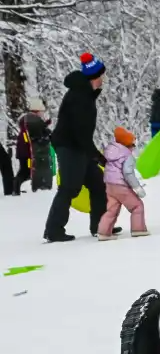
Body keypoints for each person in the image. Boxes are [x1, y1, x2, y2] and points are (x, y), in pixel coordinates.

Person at [43, 52, 109, 243]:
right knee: (69, 188)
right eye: (101, 76)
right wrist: (96, 155)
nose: (103, 80)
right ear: (93, 77)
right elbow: (80, 131)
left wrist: (93, 154)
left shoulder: (85, 94)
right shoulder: (80, 97)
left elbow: (83, 133)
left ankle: (100, 226)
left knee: (98, 183)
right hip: (70, 146)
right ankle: (53, 230)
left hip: (79, 146)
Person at [97, 127, 148, 241]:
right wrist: (137, 187)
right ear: (128, 145)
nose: (133, 149)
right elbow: (128, 172)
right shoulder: (127, 156)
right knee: (137, 206)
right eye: (132, 145)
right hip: (121, 186)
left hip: (109, 185)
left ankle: (103, 232)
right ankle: (138, 230)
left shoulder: (111, 152)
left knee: (112, 210)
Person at [14, 98, 53, 194]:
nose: (42, 113)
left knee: (24, 169)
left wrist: (45, 124)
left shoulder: (27, 119)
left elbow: (36, 129)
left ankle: (15, 188)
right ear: (37, 111)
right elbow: (38, 133)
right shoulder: (33, 120)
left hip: (23, 150)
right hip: (28, 152)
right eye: (41, 112)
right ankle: (15, 189)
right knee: (26, 171)